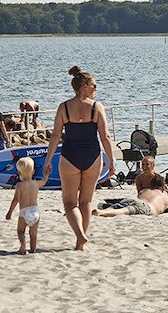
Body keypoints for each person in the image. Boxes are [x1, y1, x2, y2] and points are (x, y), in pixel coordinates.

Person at [43, 66, 115, 251]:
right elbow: (105, 136)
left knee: (69, 203)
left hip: (69, 156)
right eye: (94, 85)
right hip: (92, 156)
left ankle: (80, 235)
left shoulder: (64, 107)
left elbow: (55, 136)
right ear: (85, 87)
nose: (96, 89)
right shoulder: (97, 107)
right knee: (86, 202)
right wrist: (113, 161)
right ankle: (80, 241)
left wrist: (48, 159)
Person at [5, 157, 48, 254]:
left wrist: (9, 213)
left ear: (19, 173)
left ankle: (23, 243)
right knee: (33, 234)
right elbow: (44, 181)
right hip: (35, 212)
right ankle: (33, 250)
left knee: (21, 231)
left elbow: (15, 200)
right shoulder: (36, 184)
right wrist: (46, 174)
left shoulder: (19, 185)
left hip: (24, 212)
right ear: (33, 172)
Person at [93, 174, 168, 217]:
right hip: (146, 207)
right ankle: (102, 212)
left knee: (116, 206)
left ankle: (106, 210)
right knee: (124, 211)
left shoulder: (145, 190)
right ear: (163, 187)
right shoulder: (166, 199)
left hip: (133, 200)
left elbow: (139, 195)